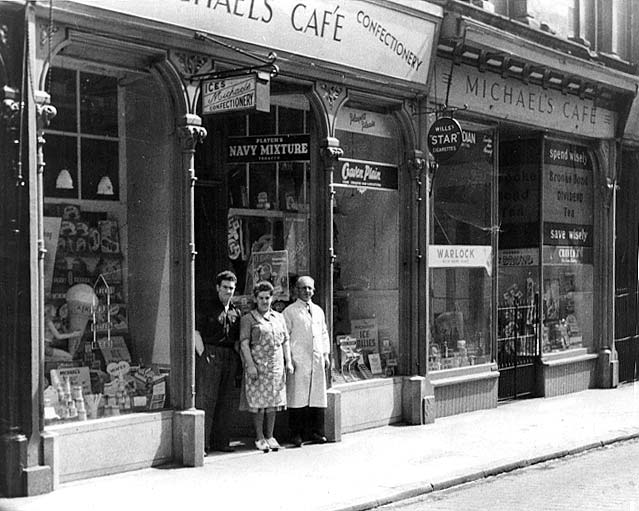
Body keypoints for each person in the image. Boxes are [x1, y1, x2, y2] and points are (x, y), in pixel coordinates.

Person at [239, 281, 294, 452]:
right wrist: (250, 366)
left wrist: (288, 361)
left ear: (272, 298)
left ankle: (270, 435)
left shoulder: (279, 317)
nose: (264, 301)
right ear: (255, 299)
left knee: (273, 402)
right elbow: (243, 344)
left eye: (267, 298)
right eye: (261, 298)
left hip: (276, 367)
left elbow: (285, 341)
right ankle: (259, 437)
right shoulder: (248, 319)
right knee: (259, 403)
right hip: (257, 366)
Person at [195, 270, 241, 453]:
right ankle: (203, 444)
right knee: (207, 399)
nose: (228, 291)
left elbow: (238, 338)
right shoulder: (207, 308)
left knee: (226, 400)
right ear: (217, 288)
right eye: (225, 287)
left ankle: (221, 442)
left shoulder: (236, 311)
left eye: (231, 288)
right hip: (210, 353)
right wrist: (203, 353)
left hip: (229, 355)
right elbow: (196, 331)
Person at [283, 275, 330, 447]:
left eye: (310, 288)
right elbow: (285, 337)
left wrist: (325, 354)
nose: (307, 291)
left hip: (316, 359)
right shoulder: (289, 312)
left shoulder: (318, 310)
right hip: (299, 360)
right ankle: (296, 434)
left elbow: (323, 332)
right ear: (296, 290)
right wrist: (289, 359)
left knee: (316, 396)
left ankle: (316, 432)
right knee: (298, 398)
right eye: (303, 288)